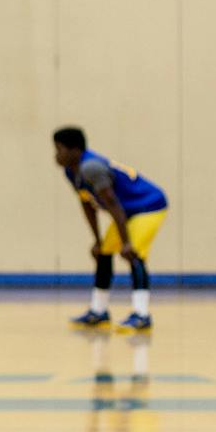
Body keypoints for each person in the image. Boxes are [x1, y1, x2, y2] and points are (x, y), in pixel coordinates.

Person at [54, 126, 167, 332]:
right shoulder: (72, 171)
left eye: (59, 149)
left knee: (134, 254)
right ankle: (99, 311)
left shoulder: (91, 168)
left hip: (148, 206)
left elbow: (113, 205)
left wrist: (126, 242)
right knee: (104, 252)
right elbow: (88, 204)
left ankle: (141, 315)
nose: (56, 155)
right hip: (126, 211)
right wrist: (97, 240)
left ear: (75, 150)